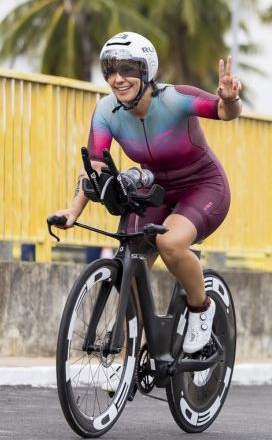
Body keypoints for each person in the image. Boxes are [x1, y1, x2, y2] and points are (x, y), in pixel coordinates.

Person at [51, 31, 242, 353]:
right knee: (131, 258)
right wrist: (73, 210)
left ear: (145, 71)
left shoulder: (174, 98)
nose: (117, 79)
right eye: (110, 70)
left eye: (127, 69)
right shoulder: (105, 111)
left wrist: (229, 98)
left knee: (169, 241)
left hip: (203, 186)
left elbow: (225, 113)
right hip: (153, 190)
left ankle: (201, 308)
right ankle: (130, 355)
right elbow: (94, 165)